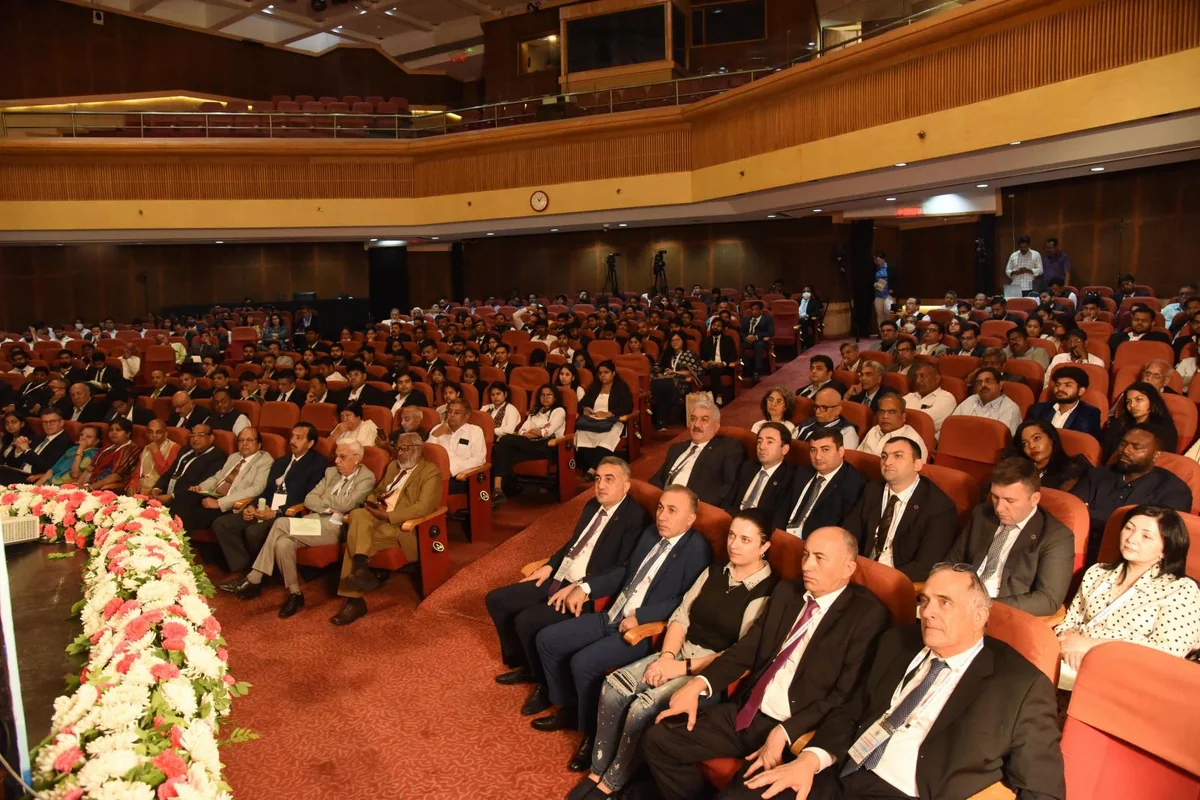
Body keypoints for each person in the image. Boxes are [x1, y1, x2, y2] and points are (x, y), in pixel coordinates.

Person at [729, 564, 1065, 800]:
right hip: (843, 771)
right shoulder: (897, 643)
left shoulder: (1020, 685)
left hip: (908, 791)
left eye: (945, 602)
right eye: (925, 600)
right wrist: (810, 759)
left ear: (979, 616)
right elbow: (854, 709)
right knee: (744, 792)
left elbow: (1043, 790)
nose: (928, 612)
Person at [644, 526, 890, 800]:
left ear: (848, 568)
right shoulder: (788, 592)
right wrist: (699, 684)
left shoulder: (867, 616)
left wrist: (784, 732)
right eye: (806, 554)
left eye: (819, 558)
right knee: (658, 740)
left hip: (794, 731)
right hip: (748, 711)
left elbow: (843, 697)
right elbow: (746, 650)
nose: (806, 565)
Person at [576, 512, 778, 791]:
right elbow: (681, 617)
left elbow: (738, 655)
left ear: (764, 546)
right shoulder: (714, 571)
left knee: (641, 707)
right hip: (678, 654)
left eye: (745, 540)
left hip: (711, 674)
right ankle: (597, 770)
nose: (733, 544)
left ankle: (611, 783)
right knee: (613, 687)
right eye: (732, 535)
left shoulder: (767, 592)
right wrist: (666, 658)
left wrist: (680, 668)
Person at [531, 486, 712, 773]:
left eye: (672, 511)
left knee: (583, 663)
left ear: (690, 519)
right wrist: (585, 587)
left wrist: (641, 616)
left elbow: (685, 600)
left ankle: (592, 734)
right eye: (660, 508)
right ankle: (570, 708)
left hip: (646, 631)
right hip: (613, 613)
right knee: (548, 640)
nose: (662, 516)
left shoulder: (697, 549)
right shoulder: (651, 534)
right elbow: (625, 571)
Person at [489, 457, 648, 692]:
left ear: (625, 486)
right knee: (497, 600)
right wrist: (549, 566)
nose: (600, 485)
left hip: (586, 590)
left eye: (609, 479)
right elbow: (572, 544)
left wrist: (582, 586)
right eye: (598, 479)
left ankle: (543, 684)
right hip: (560, 576)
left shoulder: (634, 517)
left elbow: (623, 568)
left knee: (526, 620)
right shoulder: (592, 506)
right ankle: (525, 664)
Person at [1055, 504, 1200, 691]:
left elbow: (1168, 652)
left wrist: (1090, 645)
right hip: (1072, 661)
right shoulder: (1097, 572)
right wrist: (1069, 647)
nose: (1131, 539)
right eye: (1129, 528)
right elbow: (1069, 621)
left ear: (1165, 549)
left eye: (1146, 536)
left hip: (1132, 678)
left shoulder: (1180, 590)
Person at [226, 440, 376, 618]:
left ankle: (255, 577)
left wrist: (324, 499)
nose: (336, 461)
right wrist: (329, 505)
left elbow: (347, 505)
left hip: (337, 526)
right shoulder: (331, 472)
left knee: (280, 523)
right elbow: (309, 499)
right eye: (336, 456)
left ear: (356, 458)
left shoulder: (366, 478)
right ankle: (294, 593)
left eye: (342, 457)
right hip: (314, 522)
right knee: (283, 543)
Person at [328, 432, 442, 625]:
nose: (401, 453)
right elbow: (378, 491)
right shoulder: (393, 466)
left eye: (405, 448)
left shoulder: (431, 472)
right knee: (358, 514)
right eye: (398, 448)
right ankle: (361, 570)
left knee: (355, 538)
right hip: (377, 518)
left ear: (418, 449)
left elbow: (423, 507)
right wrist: (372, 504)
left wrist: (388, 516)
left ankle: (354, 600)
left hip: (400, 526)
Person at [945, 458, 1073, 616]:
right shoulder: (982, 515)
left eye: (1010, 501)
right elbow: (951, 563)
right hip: (957, 602)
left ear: (1034, 499)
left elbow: (1048, 600)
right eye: (995, 497)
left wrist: (982, 604)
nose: (999, 508)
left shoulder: (1056, 537)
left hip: (1001, 613)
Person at [212, 423, 328, 575]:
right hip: (265, 509)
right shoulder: (281, 461)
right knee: (222, 524)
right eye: (292, 436)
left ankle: (259, 573)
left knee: (254, 532)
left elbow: (308, 497)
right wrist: (252, 506)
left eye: (298, 438)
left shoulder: (318, 463)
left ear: (310, 443)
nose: (292, 441)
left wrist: (276, 512)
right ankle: (244, 568)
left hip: (287, 514)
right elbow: (267, 490)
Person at [1073, 423, 1193, 562]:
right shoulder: (1097, 475)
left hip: (1134, 560)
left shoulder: (1174, 491)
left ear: (1156, 455)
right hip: (1082, 547)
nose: (1125, 450)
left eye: (1136, 447)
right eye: (1123, 444)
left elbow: (1159, 537)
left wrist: (1092, 513)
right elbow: (1074, 513)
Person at [843, 437, 958, 582]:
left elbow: (925, 566)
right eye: (884, 456)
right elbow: (848, 533)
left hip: (897, 579)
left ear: (917, 465)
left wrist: (883, 578)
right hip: (858, 570)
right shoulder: (872, 489)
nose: (887, 462)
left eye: (898, 456)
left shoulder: (939, 507)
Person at [649, 401, 744, 510]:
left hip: (694, 508)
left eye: (704, 420)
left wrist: (698, 507)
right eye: (693, 419)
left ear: (716, 426)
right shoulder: (677, 448)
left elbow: (729, 486)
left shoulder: (728, 448)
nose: (697, 425)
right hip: (663, 503)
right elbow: (657, 478)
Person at [177, 427, 273, 534]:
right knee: (183, 497)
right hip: (213, 494)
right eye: (241, 440)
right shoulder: (234, 457)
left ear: (259, 444)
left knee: (191, 514)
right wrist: (201, 487)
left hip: (230, 504)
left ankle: (177, 540)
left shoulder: (264, 460)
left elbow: (256, 489)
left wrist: (219, 503)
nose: (244, 443)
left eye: (249, 440)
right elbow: (217, 477)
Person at [778, 430, 867, 538]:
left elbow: (841, 530)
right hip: (784, 536)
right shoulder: (802, 472)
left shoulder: (853, 484)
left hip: (814, 541)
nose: (817, 457)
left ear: (841, 451)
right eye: (813, 450)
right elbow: (782, 510)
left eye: (825, 450)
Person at [491, 384, 567, 503]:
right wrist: (535, 431)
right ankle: (499, 490)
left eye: (549, 395)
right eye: (542, 395)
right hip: (530, 445)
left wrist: (536, 431)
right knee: (503, 451)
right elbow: (522, 430)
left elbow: (546, 432)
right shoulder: (536, 411)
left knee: (504, 439)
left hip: (547, 447)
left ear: (555, 397)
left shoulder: (559, 411)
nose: (545, 398)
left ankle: (500, 488)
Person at [575, 361, 634, 476]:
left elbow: (627, 407)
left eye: (606, 372)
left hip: (613, 421)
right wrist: (585, 409)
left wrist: (609, 413)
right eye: (600, 373)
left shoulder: (621, 387)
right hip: (593, 421)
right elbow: (582, 404)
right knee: (581, 433)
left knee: (608, 435)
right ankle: (590, 466)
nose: (602, 375)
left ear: (613, 373)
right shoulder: (595, 387)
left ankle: (593, 469)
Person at [150, 424, 225, 507]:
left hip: (187, 502)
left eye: (200, 435)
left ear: (211, 438)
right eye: (193, 435)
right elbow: (170, 473)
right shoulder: (185, 450)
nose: (195, 438)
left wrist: (172, 497)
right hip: (165, 495)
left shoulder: (217, 457)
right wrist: (157, 488)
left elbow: (199, 486)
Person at [728, 423, 796, 516]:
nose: (761, 447)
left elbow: (778, 517)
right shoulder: (748, 466)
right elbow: (729, 500)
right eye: (759, 441)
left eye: (769, 442)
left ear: (784, 449)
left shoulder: (790, 478)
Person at [1101, 382, 1178, 462]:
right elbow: (1105, 452)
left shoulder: (1166, 429)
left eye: (1139, 399)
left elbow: (1164, 459)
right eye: (1128, 401)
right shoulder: (1120, 423)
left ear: (1152, 401)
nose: (1132, 405)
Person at [1008, 420, 1091, 492]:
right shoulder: (1019, 468)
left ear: (1051, 439)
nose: (1031, 446)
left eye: (1036, 438)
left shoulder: (1072, 470)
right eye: (1025, 443)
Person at [427, 398, 487, 494]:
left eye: (457, 413)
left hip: (460, 476)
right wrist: (435, 435)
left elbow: (479, 458)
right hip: (434, 474)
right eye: (450, 411)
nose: (451, 415)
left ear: (466, 416)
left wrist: (453, 470)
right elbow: (427, 454)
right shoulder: (438, 429)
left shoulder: (475, 431)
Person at [0, 408, 72, 483]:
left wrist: (27, 450)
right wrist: (18, 451)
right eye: (44, 422)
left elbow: (46, 467)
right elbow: (12, 464)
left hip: (34, 479)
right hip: (19, 473)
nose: (48, 425)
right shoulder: (38, 439)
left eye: (52, 421)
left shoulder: (64, 442)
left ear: (61, 423)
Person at [1027, 366, 1102, 438]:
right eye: (1057, 385)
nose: (1060, 388)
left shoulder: (1090, 414)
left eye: (1067, 385)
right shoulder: (1038, 409)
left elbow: (1090, 443)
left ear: (1081, 391)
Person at [950, 367, 1022, 434]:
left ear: (1000, 385)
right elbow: (951, 425)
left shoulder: (1010, 409)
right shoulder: (971, 400)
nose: (983, 385)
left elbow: (1001, 439)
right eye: (979, 382)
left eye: (988, 381)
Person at [857, 394, 929, 460]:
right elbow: (857, 457)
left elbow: (916, 468)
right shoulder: (874, 429)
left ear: (903, 417)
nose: (885, 416)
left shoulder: (913, 440)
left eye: (891, 412)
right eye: (882, 412)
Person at [77, 418, 138, 492]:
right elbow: (89, 469)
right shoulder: (106, 448)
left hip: (108, 488)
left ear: (128, 434)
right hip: (89, 484)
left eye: (118, 430)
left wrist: (89, 488)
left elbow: (116, 476)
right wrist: (78, 485)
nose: (114, 432)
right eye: (111, 430)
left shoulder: (132, 449)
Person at [901, 363, 956, 440]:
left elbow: (924, 421)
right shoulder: (910, 396)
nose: (917, 381)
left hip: (921, 440)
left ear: (937, 379)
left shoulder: (946, 398)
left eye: (923, 376)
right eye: (916, 377)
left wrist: (900, 417)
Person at [794, 388, 860, 451]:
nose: (817, 412)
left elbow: (842, 456)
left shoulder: (846, 431)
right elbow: (792, 442)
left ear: (838, 410)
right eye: (816, 406)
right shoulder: (808, 422)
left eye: (824, 407)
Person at [33, 424, 98, 487]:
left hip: (64, 487)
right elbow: (52, 470)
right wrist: (35, 486)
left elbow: (75, 474)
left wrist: (80, 451)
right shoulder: (73, 449)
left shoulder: (92, 454)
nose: (83, 438)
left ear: (96, 441)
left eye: (88, 437)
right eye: (82, 434)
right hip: (50, 484)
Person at [128, 418, 179, 496]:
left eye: (158, 432)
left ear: (166, 434)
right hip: (140, 490)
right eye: (150, 432)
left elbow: (167, 474)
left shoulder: (174, 448)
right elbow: (137, 472)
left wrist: (155, 451)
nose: (154, 435)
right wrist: (133, 485)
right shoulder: (146, 447)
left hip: (159, 491)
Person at [699, 319, 739, 406]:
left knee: (715, 370)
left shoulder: (728, 340)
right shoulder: (705, 340)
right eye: (714, 325)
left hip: (724, 366)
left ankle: (718, 396)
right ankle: (700, 397)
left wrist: (723, 363)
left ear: (723, 328)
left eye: (718, 326)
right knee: (698, 370)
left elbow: (733, 356)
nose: (715, 327)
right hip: (708, 365)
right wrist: (703, 362)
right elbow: (700, 356)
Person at [741, 302, 774, 379]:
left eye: (756, 309)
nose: (754, 311)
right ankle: (746, 369)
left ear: (761, 311)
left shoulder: (767, 319)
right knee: (740, 345)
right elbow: (741, 331)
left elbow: (771, 332)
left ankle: (757, 370)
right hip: (747, 340)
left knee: (759, 344)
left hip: (760, 340)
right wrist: (745, 338)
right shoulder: (745, 319)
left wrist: (756, 337)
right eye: (752, 309)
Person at [797, 287, 822, 351]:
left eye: (808, 291)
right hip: (796, 318)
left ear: (810, 293)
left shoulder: (814, 302)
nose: (806, 293)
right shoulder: (797, 301)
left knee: (804, 322)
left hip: (808, 319)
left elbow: (816, 313)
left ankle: (804, 344)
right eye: (804, 291)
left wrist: (807, 315)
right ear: (802, 293)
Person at [872, 252, 890, 330]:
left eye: (879, 260)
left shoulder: (889, 268)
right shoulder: (874, 269)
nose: (878, 263)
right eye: (876, 261)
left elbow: (895, 279)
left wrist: (893, 289)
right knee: (879, 313)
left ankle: (890, 329)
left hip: (888, 294)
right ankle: (882, 331)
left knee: (888, 311)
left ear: (884, 259)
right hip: (878, 294)